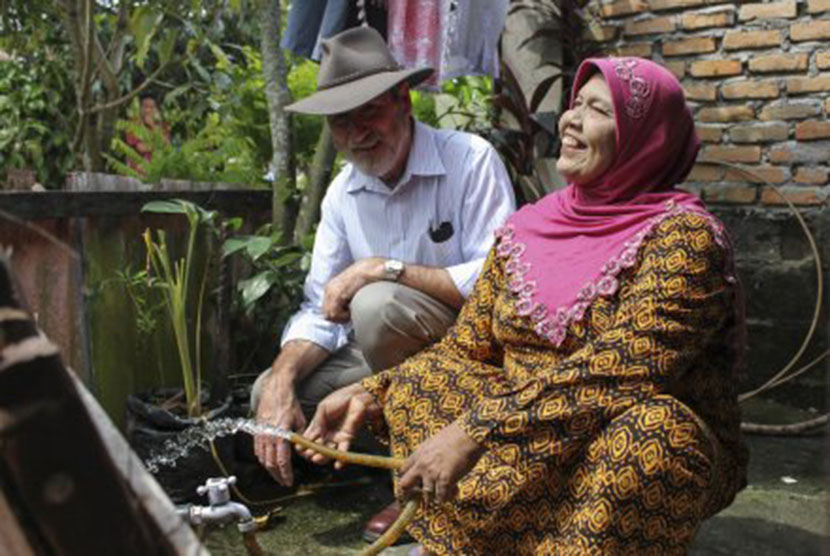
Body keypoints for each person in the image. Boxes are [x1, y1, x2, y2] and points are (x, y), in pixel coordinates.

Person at [300, 56, 749, 555]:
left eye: (598, 110)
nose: (571, 119)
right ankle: (486, 540)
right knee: (420, 382)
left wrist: (476, 431)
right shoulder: (530, 226)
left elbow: (621, 371)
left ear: (647, 138)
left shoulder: (684, 237)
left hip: (616, 425)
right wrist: (374, 389)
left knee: (655, 436)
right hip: (527, 426)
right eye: (575, 103)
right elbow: (466, 347)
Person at [251, 25, 516, 536]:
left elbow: (498, 280)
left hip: (474, 359)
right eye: (340, 122)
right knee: (270, 388)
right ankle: (396, 460)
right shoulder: (341, 194)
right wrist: (282, 380)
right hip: (390, 360)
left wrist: (383, 268)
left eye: (368, 111)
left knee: (375, 304)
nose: (356, 134)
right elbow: (320, 309)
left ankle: (424, 488)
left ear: (403, 99)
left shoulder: (470, 160)